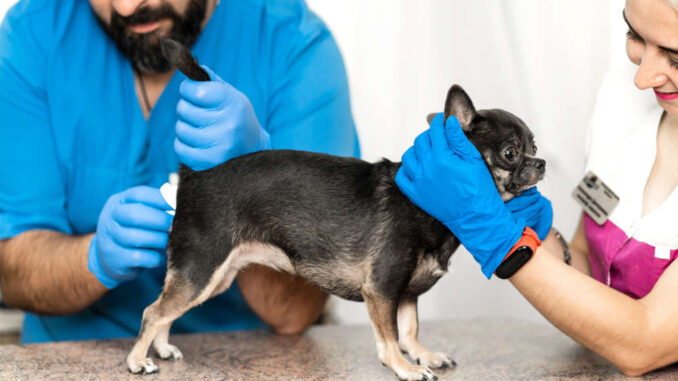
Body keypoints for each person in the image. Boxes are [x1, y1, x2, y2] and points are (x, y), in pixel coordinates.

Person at [0, 0, 359, 343]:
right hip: (67, 354)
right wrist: (93, 258)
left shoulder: (293, 44)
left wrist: (258, 180)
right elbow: (13, 273)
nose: (126, 8)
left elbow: (292, 313)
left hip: (240, 358)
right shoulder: (35, 32)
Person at [397, 0, 678, 376]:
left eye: (674, 56)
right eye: (635, 36)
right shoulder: (621, 98)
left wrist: (496, 234)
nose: (642, 77)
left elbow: (647, 341)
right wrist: (526, 221)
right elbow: (584, 260)